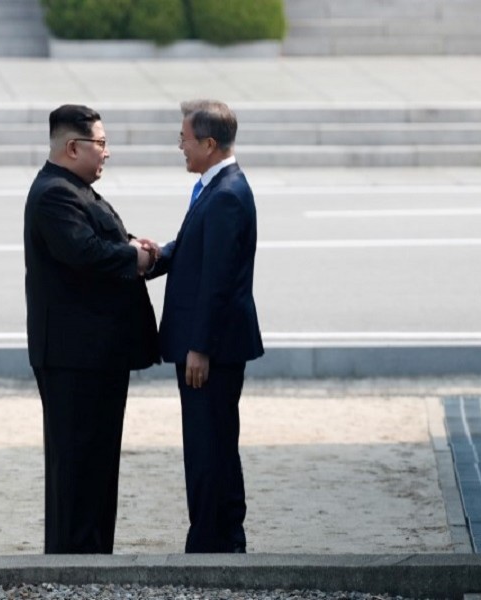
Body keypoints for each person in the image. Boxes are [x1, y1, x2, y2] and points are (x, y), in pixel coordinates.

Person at [23, 104, 160, 554]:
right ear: (72, 146)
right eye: (100, 144)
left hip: (93, 356)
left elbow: (101, 243)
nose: (107, 153)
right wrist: (133, 257)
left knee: (97, 463)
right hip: (73, 358)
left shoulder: (75, 189)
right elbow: (83, 253)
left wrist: (138, 250)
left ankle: (93, 557)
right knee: (77, 464)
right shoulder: (54, 194)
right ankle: (73, 562)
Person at [147, 99, 264, 553]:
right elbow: (193, 247)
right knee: (210, 442)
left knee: (208, 446)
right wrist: (154, 258)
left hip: (210, 350)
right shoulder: (214, 187)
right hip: (209, 344)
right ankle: (219, 537)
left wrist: (200, 347)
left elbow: (218, 280)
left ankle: (214, 542)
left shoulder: (228, 194)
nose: (180, 146)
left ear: (209, 144)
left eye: (185, 139)